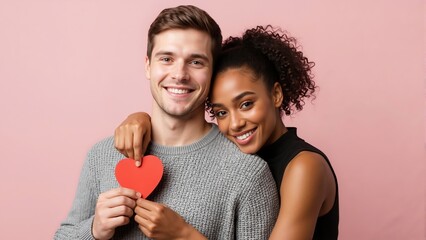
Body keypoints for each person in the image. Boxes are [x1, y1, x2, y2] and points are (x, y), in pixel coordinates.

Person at [55, 5, 279, 240]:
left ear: (212, 73)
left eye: (196, 62)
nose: (180, 74)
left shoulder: (248, 174)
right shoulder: (101, 156)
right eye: (167, 59)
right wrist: (94, 229)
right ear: (148, 66)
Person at [115, 25, 339, 239]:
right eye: (221, 112)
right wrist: (139, 119)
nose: (235, 124)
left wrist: (182, 234)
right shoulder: (236, 154)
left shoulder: (304, 167)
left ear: (276, 95)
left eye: (246, 104)